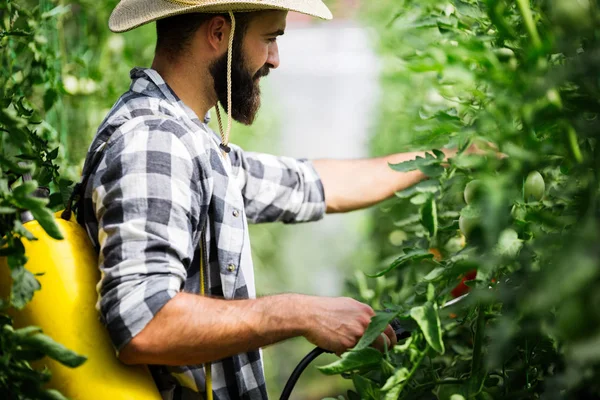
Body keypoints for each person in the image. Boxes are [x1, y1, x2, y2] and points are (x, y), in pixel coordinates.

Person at [79, 1, 457, 399]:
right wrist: (301, 312)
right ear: (218, 33)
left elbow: (307, 184)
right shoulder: (156, 142)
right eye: (270, 37)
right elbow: (144, 322)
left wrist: (443, 160)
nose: (275, 60)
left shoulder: (190, 140)